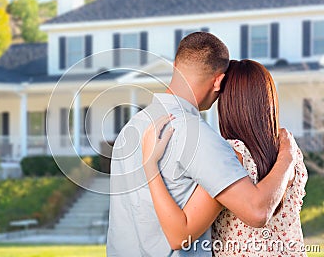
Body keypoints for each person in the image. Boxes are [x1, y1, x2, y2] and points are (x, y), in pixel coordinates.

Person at [106, 32, 297, 257]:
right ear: (218, 81)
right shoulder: (198, 137)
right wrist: (288, 157)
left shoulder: (131, 129)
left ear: (175, 66)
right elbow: (256, 211)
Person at [141, 60, 307, 256]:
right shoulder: (289, 150)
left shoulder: (231, 155)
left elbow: (180, 236)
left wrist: (150, 165)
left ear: (227, 104)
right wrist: (286, 156)